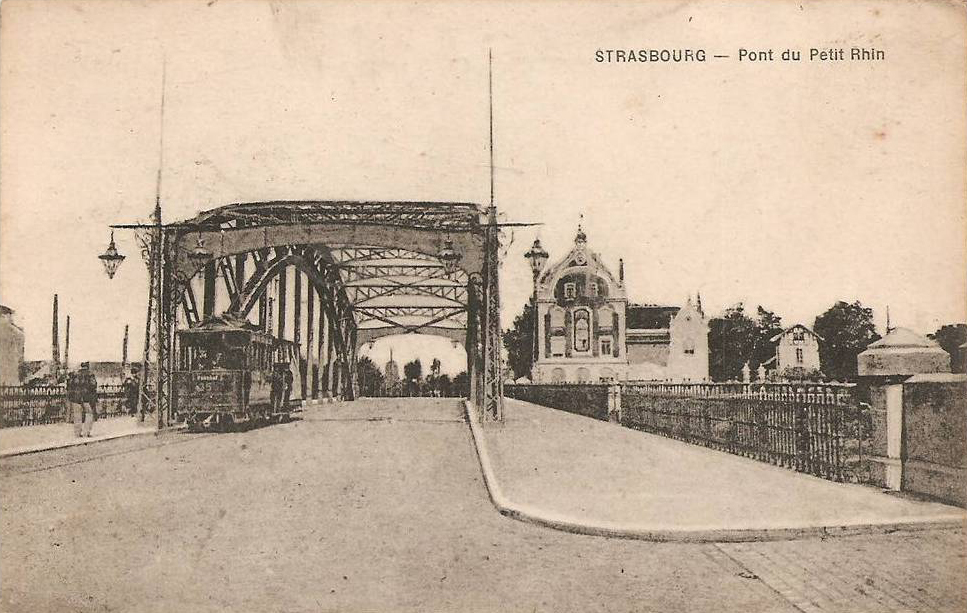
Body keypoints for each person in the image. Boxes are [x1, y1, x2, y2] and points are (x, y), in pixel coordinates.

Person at [66, 362, 98, 437]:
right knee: (89, 414)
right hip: (87, 398)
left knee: (77, 415)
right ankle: (86, 432)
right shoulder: (90, 374)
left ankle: (77, 433)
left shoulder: (75, 374)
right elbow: (93, 385)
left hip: (76, 398)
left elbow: (70, 385)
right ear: (88, 366)